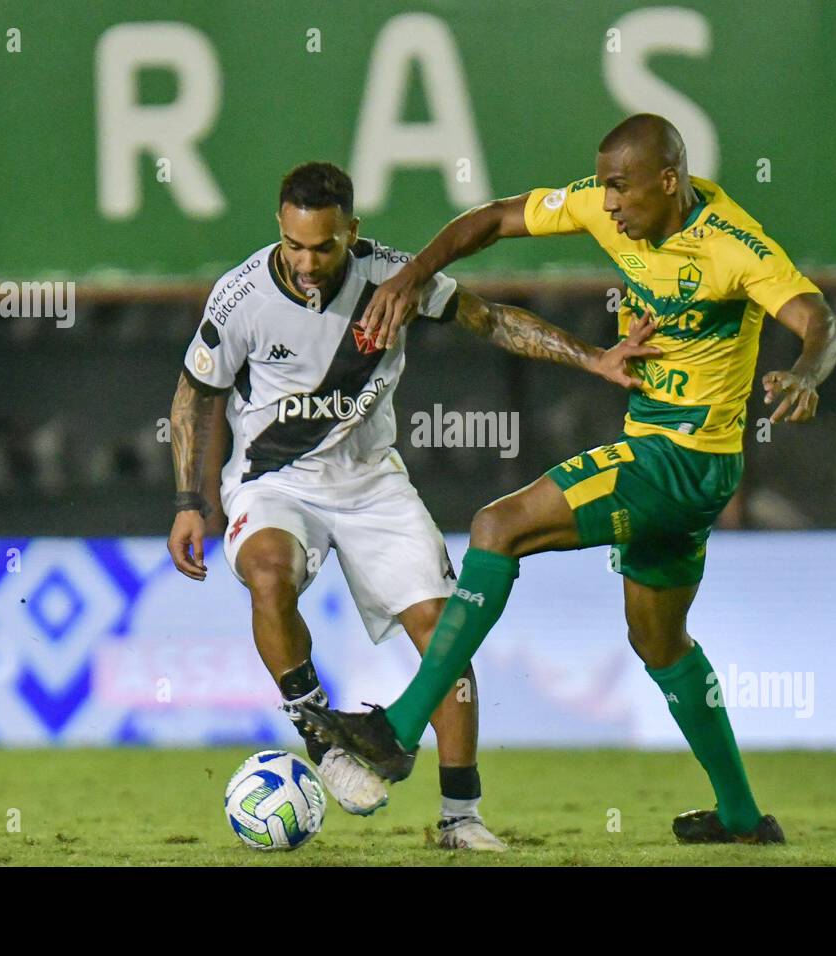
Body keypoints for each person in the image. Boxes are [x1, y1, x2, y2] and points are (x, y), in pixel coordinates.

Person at [302, 115, 836, 845]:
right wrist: (409, 276)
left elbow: (819, 320)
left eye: (622, 188)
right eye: (605, 187)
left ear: (669, 179)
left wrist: (807, 374)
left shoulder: (733, 244)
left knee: (498, 527)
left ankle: (398, 730)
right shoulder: (603, 203)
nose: (609, 204)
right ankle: (744, 818)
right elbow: (492, 220)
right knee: (659, 643)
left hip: (674, 461)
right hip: (695, 471)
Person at [167, 161, 656, 850]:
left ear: (352, 232)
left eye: (325, 247)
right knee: (269, 573)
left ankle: (461, 817)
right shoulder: (240, 296)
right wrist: (191, 499)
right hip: (274, 480)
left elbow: (491, 320)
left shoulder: (394, 278)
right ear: (279, 228)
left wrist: (593, 359)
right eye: (295, 245)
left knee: (444, 634)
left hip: (372, 482)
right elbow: (196, 393)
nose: (308, 263)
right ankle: (322, 740)